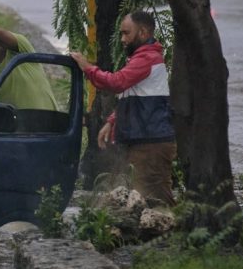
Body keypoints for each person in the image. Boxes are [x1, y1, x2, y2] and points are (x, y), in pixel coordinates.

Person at [70, 10, 176, 206]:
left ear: (143, 33)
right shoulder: (141, 58)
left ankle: (178, 235)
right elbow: (133, 96)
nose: (122, 39)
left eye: (126, 33)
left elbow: (117, 82)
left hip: (150, 144)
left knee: (157, 202)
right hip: (143, 142)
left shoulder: (147, 59)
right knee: (143, 201)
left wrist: (87, 67)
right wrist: (111, 122)